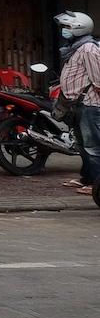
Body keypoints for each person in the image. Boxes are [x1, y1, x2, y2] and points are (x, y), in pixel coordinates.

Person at [57, 11, 100, 195]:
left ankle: (96, 186)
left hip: (89, 104)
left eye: (67, 27)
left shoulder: (88, 49)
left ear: (79, 28)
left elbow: (98, 78)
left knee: (93, 147)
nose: (64, 30)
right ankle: (87, 179)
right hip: (75, 104)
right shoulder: (74, 47)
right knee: (82, 146)